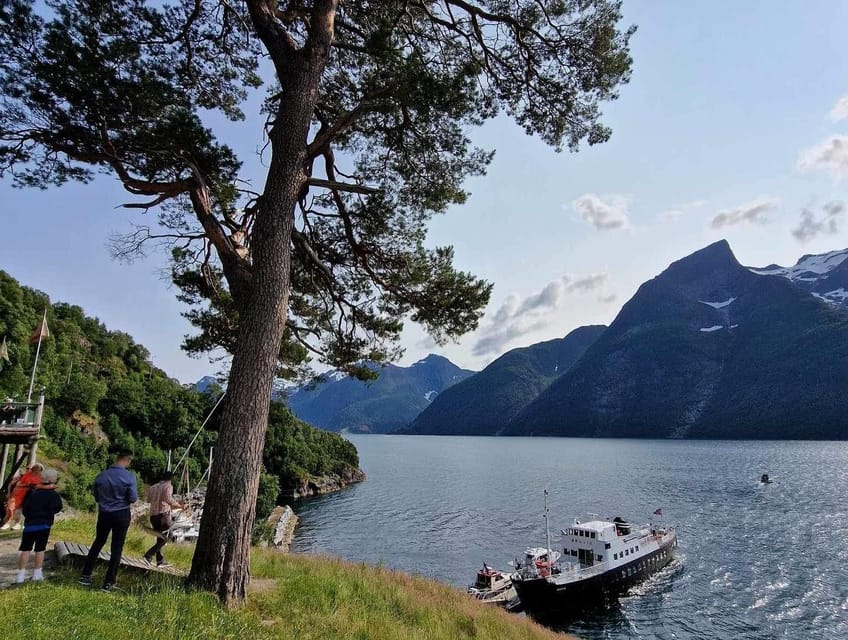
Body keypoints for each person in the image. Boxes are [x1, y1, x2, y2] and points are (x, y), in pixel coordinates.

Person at [78, 450, 138, 592]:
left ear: (116, 458)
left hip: (104, 513)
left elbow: (97, 497)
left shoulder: (101, 476)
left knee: (98, 542)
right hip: (121, 513)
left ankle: (85, 575)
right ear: (128, 461)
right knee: (117, 548)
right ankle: (108, 582)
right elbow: (133, 498)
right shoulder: (129, 477)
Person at [16, 468, 62, 583]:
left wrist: (29, 516)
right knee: (40, 549)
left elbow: (25, 508)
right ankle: (37, 574)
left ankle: (20, 575)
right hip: (44, 525)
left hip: (30, 524)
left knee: (25, 549)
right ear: (53, 480)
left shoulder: (33, 493)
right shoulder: (54, 495)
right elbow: (58, 508)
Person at [143, 470, 184, 567]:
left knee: (160, 537)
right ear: (171, 479)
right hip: (163, 515)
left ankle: (160, 561)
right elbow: (169, 500)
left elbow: (148, 500)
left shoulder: (153, 487)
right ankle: (148, 555)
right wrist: (180, 506)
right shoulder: (168, 486)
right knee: (168, 536)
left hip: (153, 515)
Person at [2, 462, 44, 530]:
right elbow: (18, 484)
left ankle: (17, 524)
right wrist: (28, 485)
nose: (35, 470)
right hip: (18, 494)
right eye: (35, 468)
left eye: (38, 469)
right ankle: (6, 523)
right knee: (10, 508)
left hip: (29, 495)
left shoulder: (41, 477)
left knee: (20, 511)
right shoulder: (26, 475)